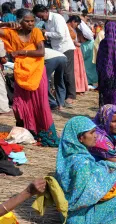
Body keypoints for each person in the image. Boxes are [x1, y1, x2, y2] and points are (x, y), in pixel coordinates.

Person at [0, 9, 59, 147]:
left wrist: (21, 51)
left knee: (41, 103)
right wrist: (6, 24)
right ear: (19, 21)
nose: (31, 23)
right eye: (27, 21)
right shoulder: (11, 33)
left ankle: (44, 133)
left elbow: (41, 51)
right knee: (20, 104)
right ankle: (27, 130)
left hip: (37, 73)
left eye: (32, 21)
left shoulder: (36, 32)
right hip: (21, 73)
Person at [33, 4, 76, 107]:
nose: (41, 18)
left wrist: (46, 33)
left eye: (41, 16)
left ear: (45, 11)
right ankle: (62, 97)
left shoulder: (57, 18)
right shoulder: (46, 21)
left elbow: (60, 34)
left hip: (65, 48)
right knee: (58, 75)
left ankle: (71, 96)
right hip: (56, 49)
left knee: (67, 73)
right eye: (39, 17)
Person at [67, 15, 88, 95]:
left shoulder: (74, 29)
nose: (77, 25)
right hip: (72, 49)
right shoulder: (67, 27)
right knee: (74, 70)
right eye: (77, 23)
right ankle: (75, 88)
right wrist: (74, 42)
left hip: (77, 50)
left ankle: (79, 87)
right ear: (73, 21)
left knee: (78, 69)